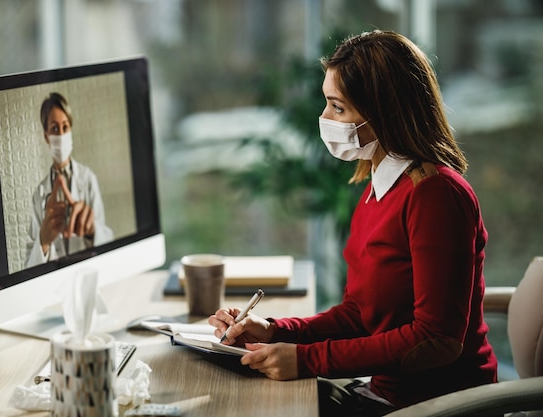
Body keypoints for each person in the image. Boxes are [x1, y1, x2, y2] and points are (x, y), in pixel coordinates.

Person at [209, 30, 498, 415]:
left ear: (384, 111)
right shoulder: (378, 183)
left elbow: (437, 340)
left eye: (338, 107)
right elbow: (360, 314)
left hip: (439, 406)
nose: (324, 118)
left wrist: (307, 359)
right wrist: (277, 330)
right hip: (388, 395)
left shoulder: (436, 196)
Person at [25, 92, 113, 268]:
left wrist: (91, 230)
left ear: (71, 130)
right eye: (55, 129)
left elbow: (107, 240)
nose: (61, 134)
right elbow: (29, 265)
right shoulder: (39, 194)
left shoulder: (87, 179)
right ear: (46, 136)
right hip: (55, 285)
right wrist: (43, 241)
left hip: (88, 275)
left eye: (65, 127)